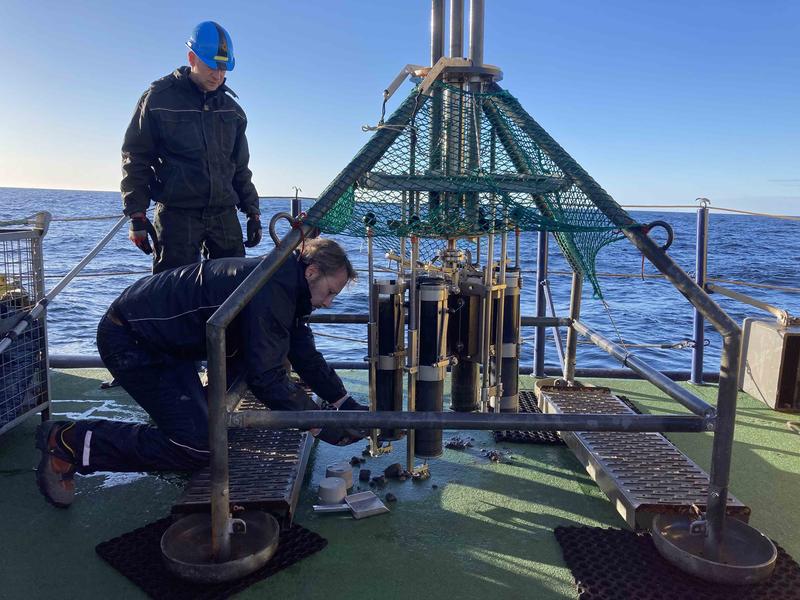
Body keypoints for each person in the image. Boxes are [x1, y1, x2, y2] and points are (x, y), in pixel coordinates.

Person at [35, 239, 366, 508]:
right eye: (331, 292)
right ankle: (67, 442)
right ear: (311, 272)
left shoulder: (281, 283)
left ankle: (197, 416)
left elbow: (302, 352)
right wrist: (318, 423)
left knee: (241, 379)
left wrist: (342, 399)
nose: (330, 302)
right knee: (195, 447)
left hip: (167, 342)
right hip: (132, 341)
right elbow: (265, 375)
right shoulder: (272, 289)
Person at [121, 21, 262, 274]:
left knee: (234, 288)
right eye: (211, 66)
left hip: (223, 215)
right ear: (191, 57)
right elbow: (136, 158)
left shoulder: (233, 111)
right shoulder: (158, 98)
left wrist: (253, 212)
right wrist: (136, 215)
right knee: (173, 292)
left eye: (223, 68)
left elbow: (240, 166)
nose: (218, 75)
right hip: (177, 215)